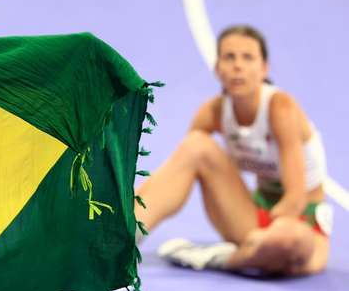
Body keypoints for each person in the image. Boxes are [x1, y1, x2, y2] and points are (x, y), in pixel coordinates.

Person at [135, 25, 331, 276]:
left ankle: (220, 258)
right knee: (196, 145)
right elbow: (178, 169)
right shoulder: (213, 112)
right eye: (229, 57)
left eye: (248, 57)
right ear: (218, 68)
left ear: (264, 68)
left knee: (286, 241)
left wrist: (271, 233)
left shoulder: (280, 109)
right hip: (253, 219)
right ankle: (125, 238)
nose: (238, 65)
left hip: (300, 224)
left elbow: (295, 200)